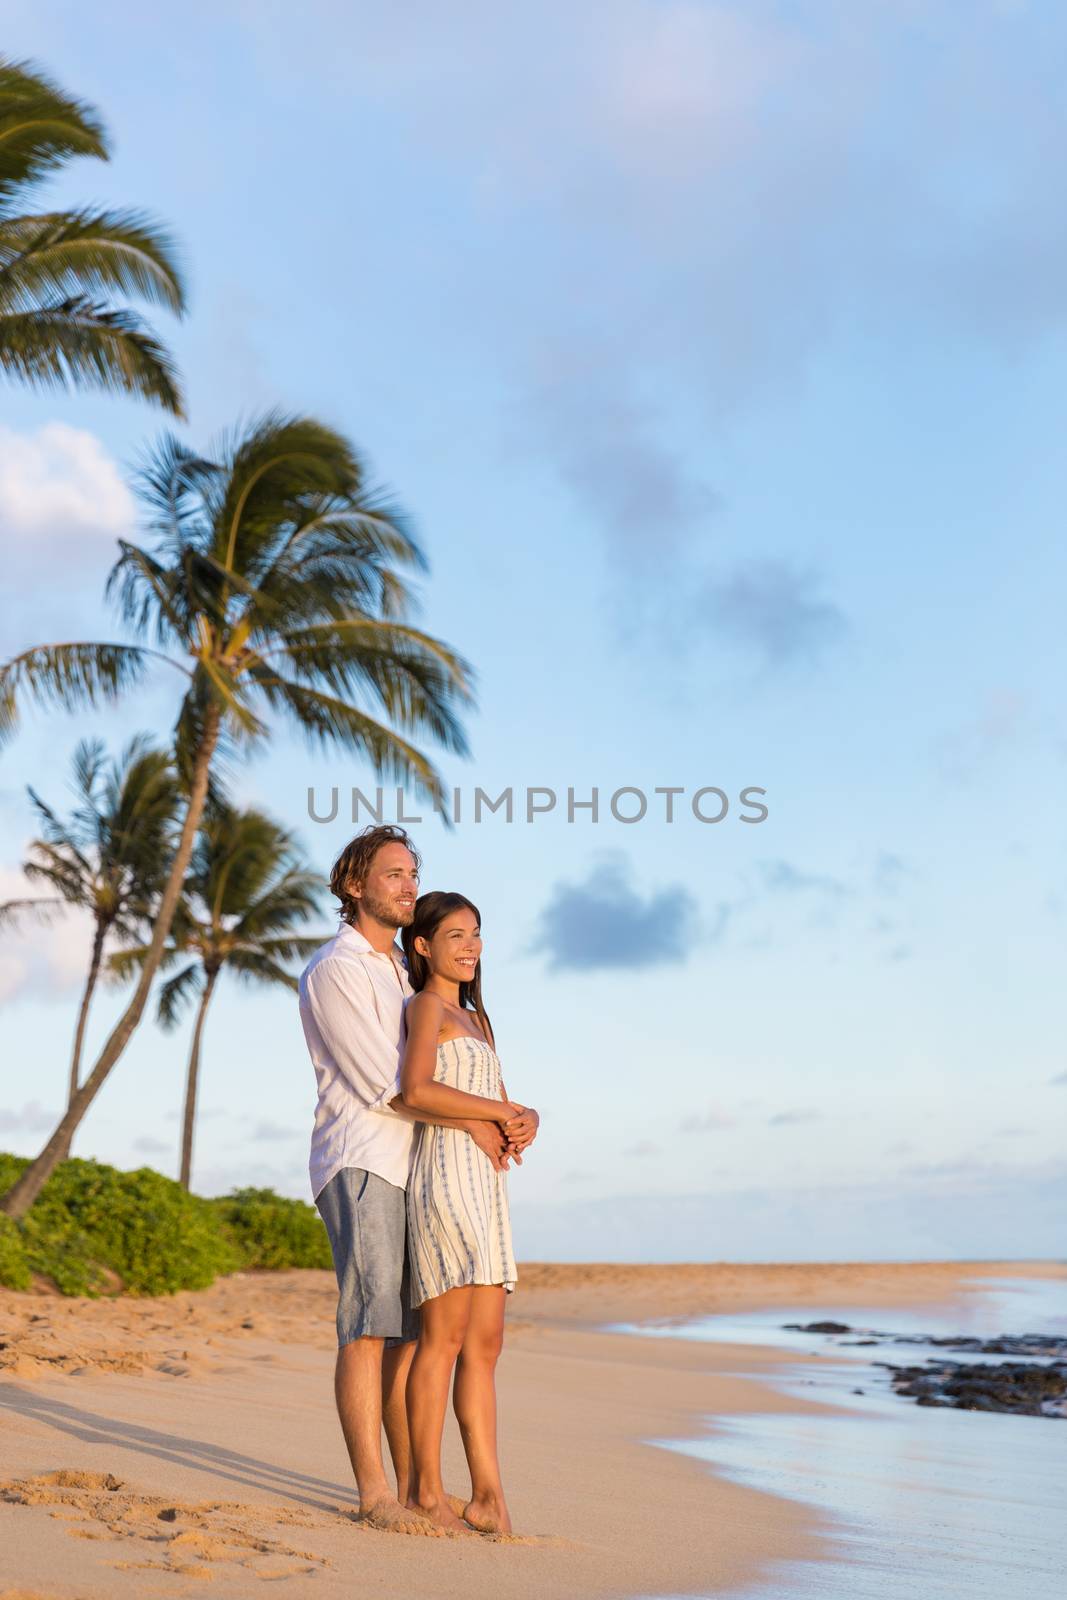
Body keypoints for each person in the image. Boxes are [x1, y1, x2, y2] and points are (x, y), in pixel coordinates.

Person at [298, 826, 529, 1531]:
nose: (406, 885)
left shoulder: (402, 972)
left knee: (405, 1337)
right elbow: (392, 1086)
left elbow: (438, 1081)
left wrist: (499, 1118)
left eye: (411, 874)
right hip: (364, 1158)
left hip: (418, 1168)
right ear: (352, 886)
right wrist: (494, 1114)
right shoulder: (338, 969)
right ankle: (375, 1495)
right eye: (392, 874)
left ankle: (415, 1490)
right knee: (368, 1326)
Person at [394, 891, 537, 1534]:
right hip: (445, 1175)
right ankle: (427, 1489)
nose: (472, 946)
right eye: (456, 935)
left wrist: (525, 1117)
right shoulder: (426, 1006)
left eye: (476, 933)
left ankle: (488, 1495)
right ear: (423, 946)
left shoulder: (478, 1019)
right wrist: (491, 1116)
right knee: (442, 1340)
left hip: (486, 1185)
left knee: (486, 1346)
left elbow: (498, 1100)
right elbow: (415, 1089)